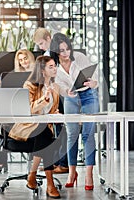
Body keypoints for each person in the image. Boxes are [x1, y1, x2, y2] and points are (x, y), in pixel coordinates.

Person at [50, 33, 99, 190]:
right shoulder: (54, 66)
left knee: (88, 134)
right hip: (71, 97)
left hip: (88, 95)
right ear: (55, 52)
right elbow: (58, 86)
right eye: (61, 51)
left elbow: (95, 76)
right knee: (72, 134)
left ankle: (89, 174)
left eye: (67, 49)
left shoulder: (79, 57)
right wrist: (66, 92)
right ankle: (72, 172)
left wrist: (93, 82)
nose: (66, 54)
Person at [9, 56, 61, 198]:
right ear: (42, 71)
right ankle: (50, 184)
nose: (55, 68)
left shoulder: (55, 87)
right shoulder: (29, 85)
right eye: (51, 67)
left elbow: (52, 110)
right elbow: (29, 109)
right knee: (45, 136)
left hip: (43, 132)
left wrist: (55, 112)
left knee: (44, 135)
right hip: (27, 130)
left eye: (55, 66)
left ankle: (32, 175)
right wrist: (44, 100)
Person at [34, 28, 69, 174]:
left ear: (49, 38)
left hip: (59, 94)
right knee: (54, 131)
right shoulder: (48, 55)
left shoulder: (55, 55)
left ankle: (63, 163)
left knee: (61, 131)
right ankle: (54, 163)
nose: (41, 47)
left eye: (42, 43)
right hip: (52, 93)